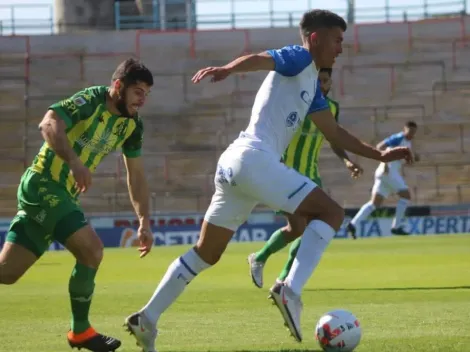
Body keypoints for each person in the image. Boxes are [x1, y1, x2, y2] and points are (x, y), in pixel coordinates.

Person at [124, 9, 412, 351]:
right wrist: (229, 69)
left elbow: (334, 132)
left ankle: (148, 318)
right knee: (331, 213)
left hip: (235, 165)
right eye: (337, 40)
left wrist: (379, 155)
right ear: (316, 38)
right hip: (254, 159)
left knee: (206, 253)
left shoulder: (312, 85)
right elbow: (262, 59)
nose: (340, 48)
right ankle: (289, 290)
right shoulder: (300, 56)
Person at [0, 58, 155, 352]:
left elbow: (135, 175)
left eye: (147, 93)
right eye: (138, 91)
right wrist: (73, 162)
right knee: (92, 250)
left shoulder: (132, 126)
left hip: (62, 195)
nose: (142, 99)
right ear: (118, 86)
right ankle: (81, 332)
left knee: (7, 274)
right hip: (43, 185)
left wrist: (144, 220)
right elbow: (48, 123)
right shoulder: (91, 100)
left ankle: (80, 332)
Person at [247, 67, 363, 290]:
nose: (321, 84)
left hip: (312, 175)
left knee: (306, 229)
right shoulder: (295, 102)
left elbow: (334, 138)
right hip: (286, 174)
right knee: (297, 228)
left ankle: (280, 277)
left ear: (330, 84)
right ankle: (261, 259)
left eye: (325, 81)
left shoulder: (332, 108)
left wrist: (347, 161)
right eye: (317, 80)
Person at [346, 121, 418, 238]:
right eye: (410, 131)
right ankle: (396, 227)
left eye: (414, 132)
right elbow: (380, 146)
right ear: (405, 129)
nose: (412, 134)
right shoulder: (398, 138)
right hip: (388, 171)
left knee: (375, 203)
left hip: (383, 173)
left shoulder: (408, 141)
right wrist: (384, 162)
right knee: (406, 196)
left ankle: (352, 224)